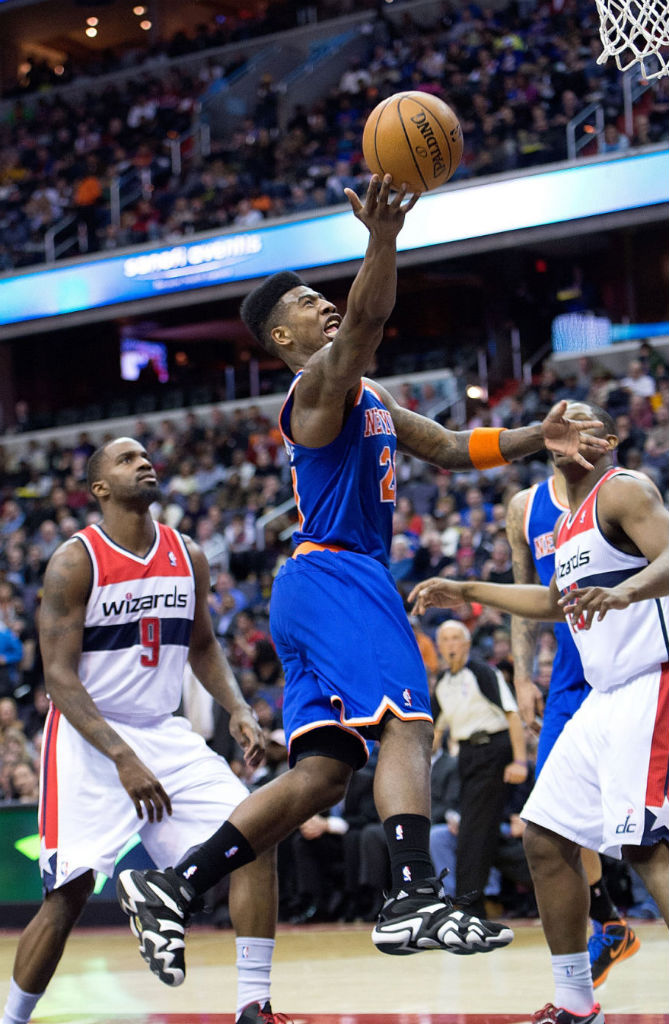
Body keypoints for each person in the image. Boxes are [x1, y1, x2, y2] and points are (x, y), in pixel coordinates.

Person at [116, 175, 608, 984]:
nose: (326, 308)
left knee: (319, 773)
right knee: (408, 725)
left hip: (315, 587)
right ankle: (415, 893)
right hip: (339, 572)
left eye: (323, 297)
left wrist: (536, 435)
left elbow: (448, 446)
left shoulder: (367, 395)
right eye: (310, 302)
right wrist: (381, 239)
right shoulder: (316, 387)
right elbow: (369, 323)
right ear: (282, 335)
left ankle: (172, 885)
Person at [1, 437, 284, 1024]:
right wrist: (122, 757)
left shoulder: (189, 554)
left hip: (165, 731)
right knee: (68, 897)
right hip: (89, 736)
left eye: (145, 455)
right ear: (99, 488)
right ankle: (12, 1019)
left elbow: (203, 644)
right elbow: (58, 679)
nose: (144, 462)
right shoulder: (75, 561)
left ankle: (253, 1006)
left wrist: (237, 708)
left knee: (255, 834)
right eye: (126, 459)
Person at [409, 401, 669, 1024]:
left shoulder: (623, 490)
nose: (567, 427)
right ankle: (577, 1003)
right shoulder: (565, 518)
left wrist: (628, 590)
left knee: (645, 848)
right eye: (560, 420)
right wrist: (468, 589)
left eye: (582, 420)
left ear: (607, 440)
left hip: (649, 683)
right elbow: (554, 600)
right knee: (547, 836)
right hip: (601, 698)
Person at [506, 464, 640, 988]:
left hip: (632, 664)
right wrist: (521, 674)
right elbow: (530, 601)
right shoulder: (525, 507)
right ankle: (607, 922)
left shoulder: (623, 493)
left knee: (645, 823)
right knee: (551, 814)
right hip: (569, 677)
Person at [432, 620, 528, 918]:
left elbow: (512, 715)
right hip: (467, 755)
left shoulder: (482, 673)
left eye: (455, 638)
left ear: (467, 643)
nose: (450, 645)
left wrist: (520, 760)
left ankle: (468, 905)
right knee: (478, 830)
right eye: (445, 639)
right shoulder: (443, 684)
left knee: (474, 828)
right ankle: (527, 879)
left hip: (493, 748)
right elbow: (435, 731)